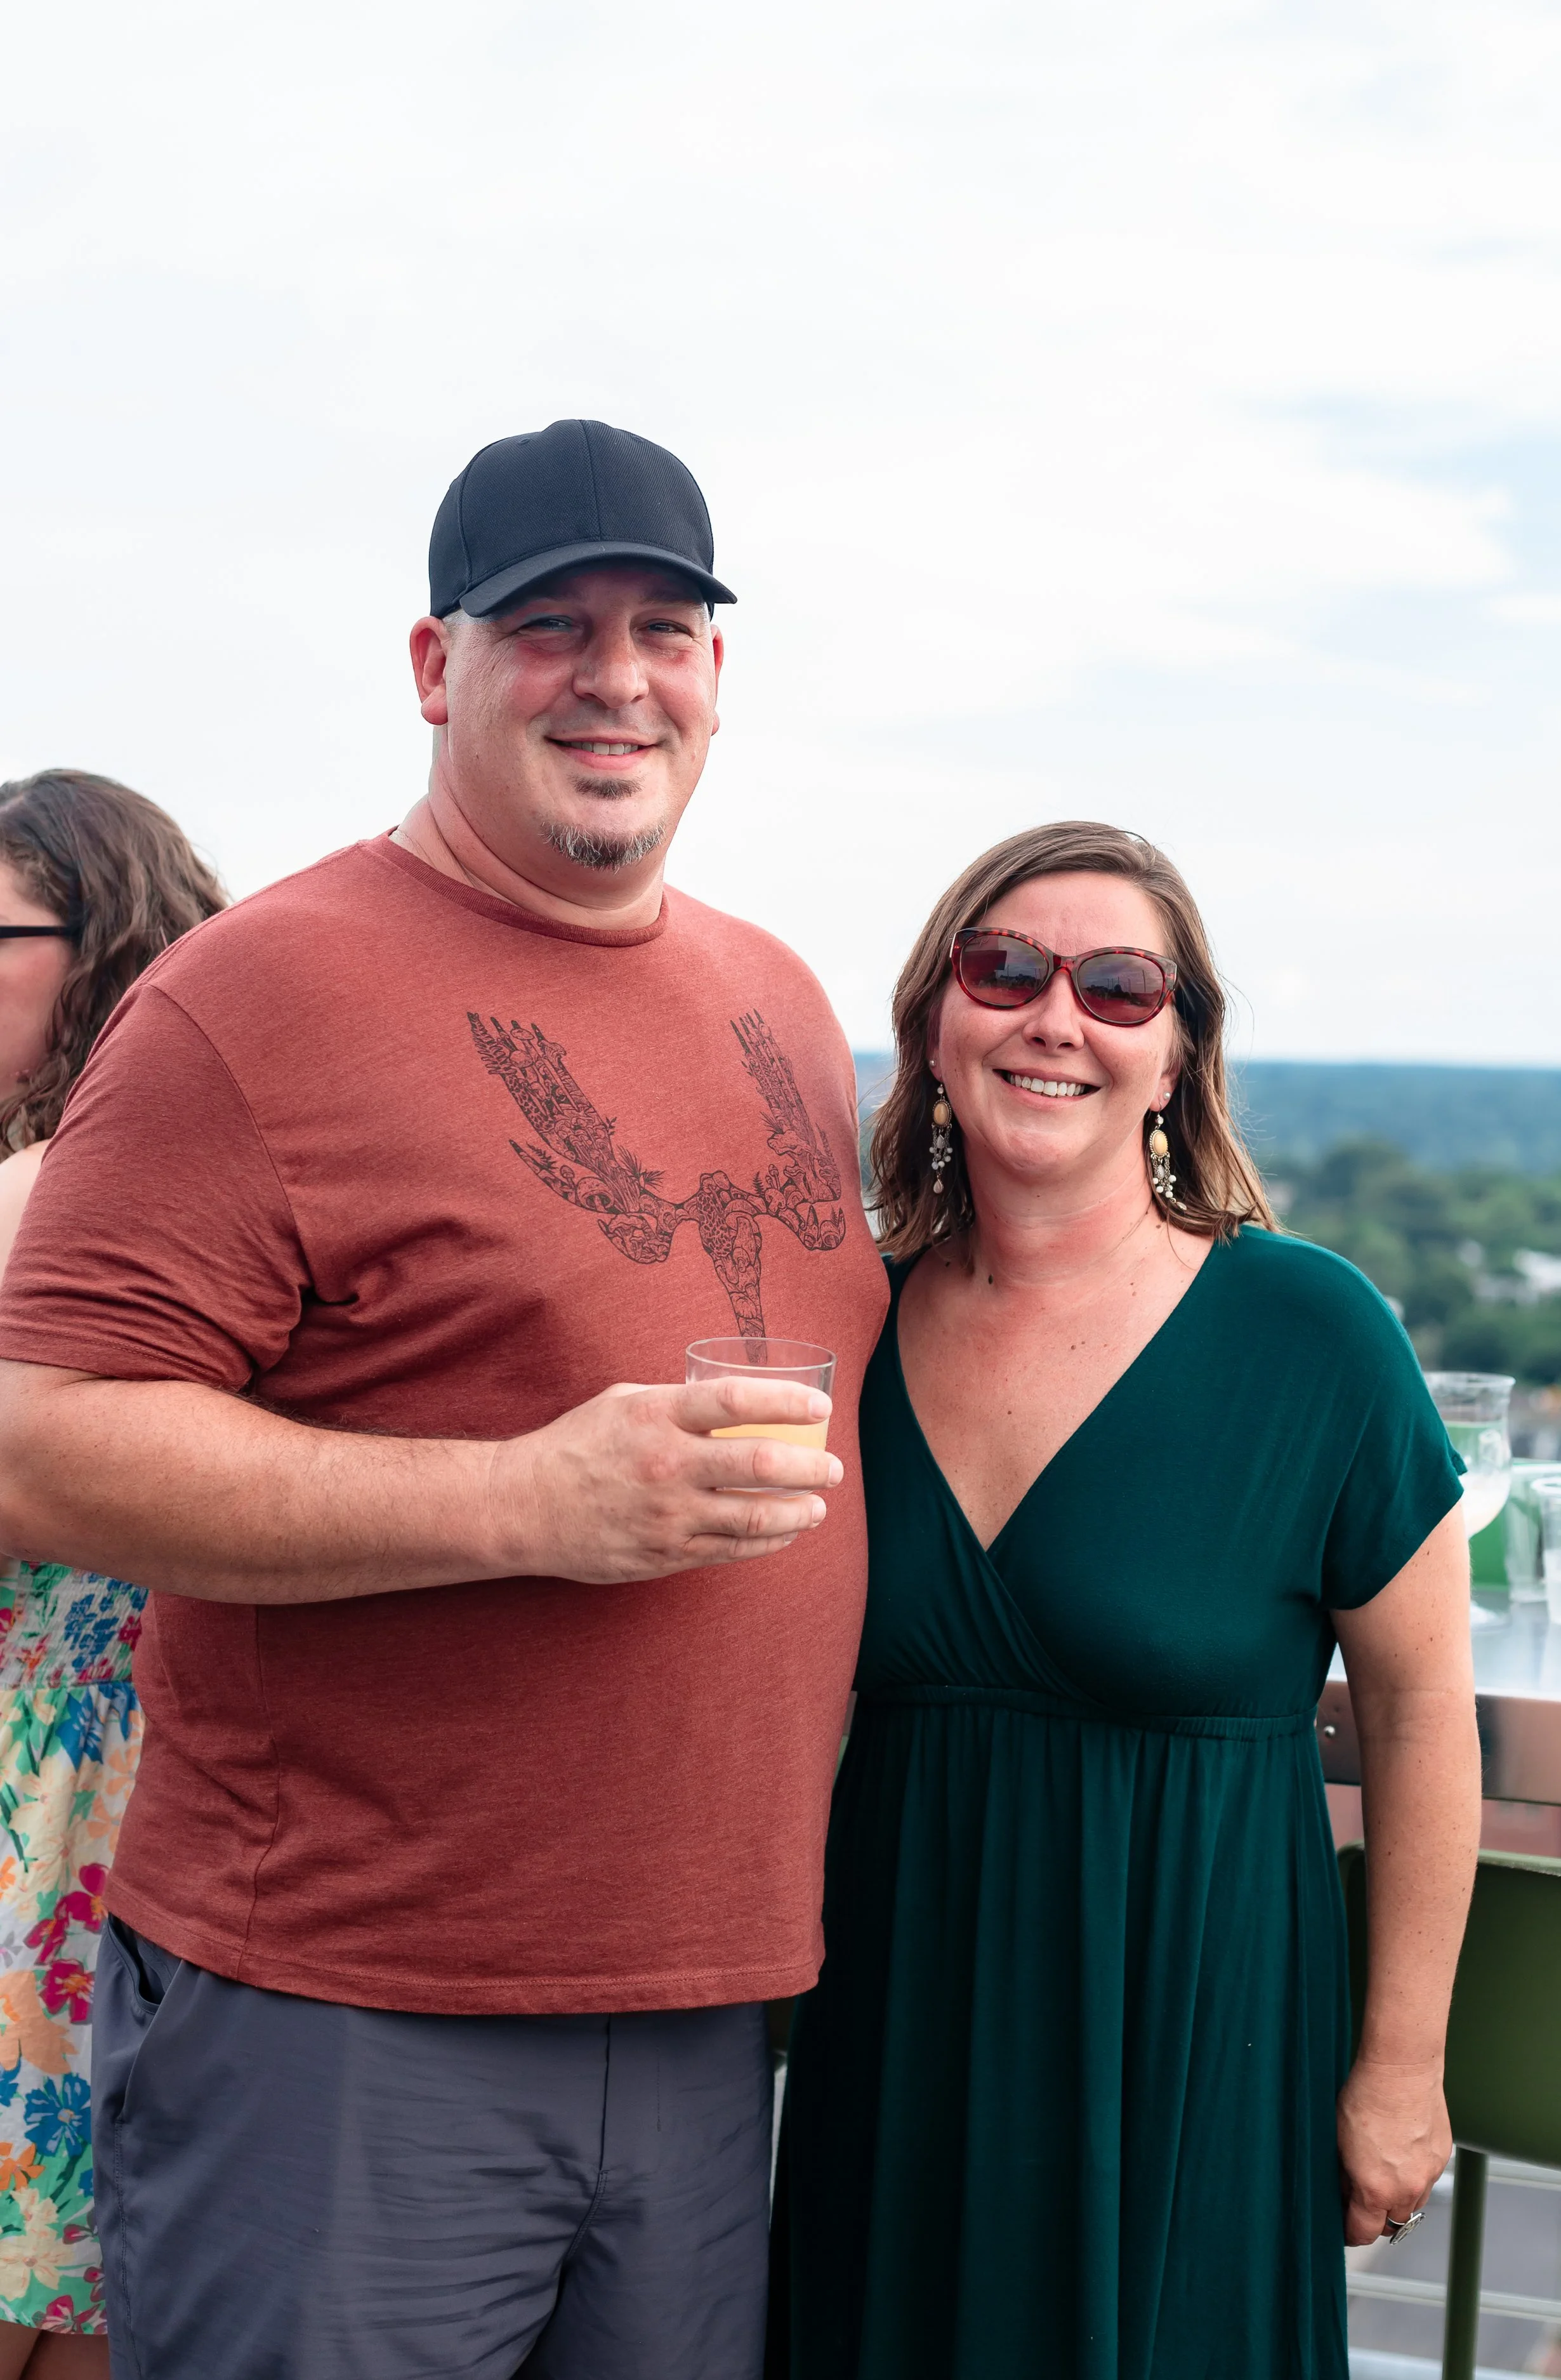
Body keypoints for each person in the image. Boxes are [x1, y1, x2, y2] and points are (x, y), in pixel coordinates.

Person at [0, 421, 890, 2380]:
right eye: (550, 625)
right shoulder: (250, 994)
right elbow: (40, 1440)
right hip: (342, 2012)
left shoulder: (776, 997)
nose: (615, 676)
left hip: (702, 2007)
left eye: (663, 628)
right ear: (435, 665)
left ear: (717, 675)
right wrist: (523, 1501)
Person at [774, 821, 1481, 2380]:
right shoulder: (846, 1326)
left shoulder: (1308, 1332)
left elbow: (1424, 1712)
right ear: (934, 1026)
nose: (1054, 1018)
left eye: (1115, 987)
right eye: (1003, 970)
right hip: (899, 2042)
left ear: (1174, 1058)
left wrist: (1398, 2067)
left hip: (1195, 2044)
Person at [0, 770, 225, 2377]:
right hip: (165, 1832)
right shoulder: (219, 1197)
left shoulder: (46, 1197)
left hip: (54, 1818)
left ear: (102, 950)